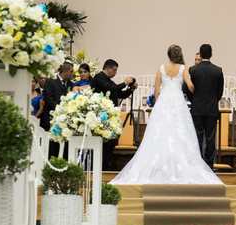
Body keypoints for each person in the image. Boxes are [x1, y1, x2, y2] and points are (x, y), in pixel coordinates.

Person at [111, 45, 222, 184]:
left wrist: (158, 104)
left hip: (164, 100)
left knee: (161, 132)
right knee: (179, 131)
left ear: (168, 55)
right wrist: (196, 95)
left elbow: (157, 89)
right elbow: (191, 86)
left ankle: (159, 165)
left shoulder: (161, 68)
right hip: (178, 100)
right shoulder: (183, 68)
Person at [91, 59, 138, 170]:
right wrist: (124, 83)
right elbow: (111, 89)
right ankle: (100, 169)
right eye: (115, 70)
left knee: (110, 144)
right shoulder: (99, 78)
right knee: (105, 144)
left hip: (108, 117)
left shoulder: (108, 80)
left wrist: (131, 89)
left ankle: (104, 168)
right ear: (108, 68)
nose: (116, 73)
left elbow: (120, 94)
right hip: (100, 117)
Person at [189, 44, 225, 168]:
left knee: (197, 136)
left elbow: (188, 89)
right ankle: (209, 165)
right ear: (211, 55)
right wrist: (213, 101)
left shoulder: (193, 70)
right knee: (210, 137)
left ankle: (197, 164)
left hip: (197, 108)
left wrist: (194, 101)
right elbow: (220, 91)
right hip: (211, 108)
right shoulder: (218, 70)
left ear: (200, 54)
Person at [42, 62, 74, 157]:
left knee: (66, 148)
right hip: (52, 118)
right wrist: (60, 109)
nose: (72, 74)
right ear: (65, 71)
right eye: (71, 72)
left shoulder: (71, 84)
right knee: (52, 147)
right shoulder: (51, 82)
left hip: (66, 120)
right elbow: (48, 98)